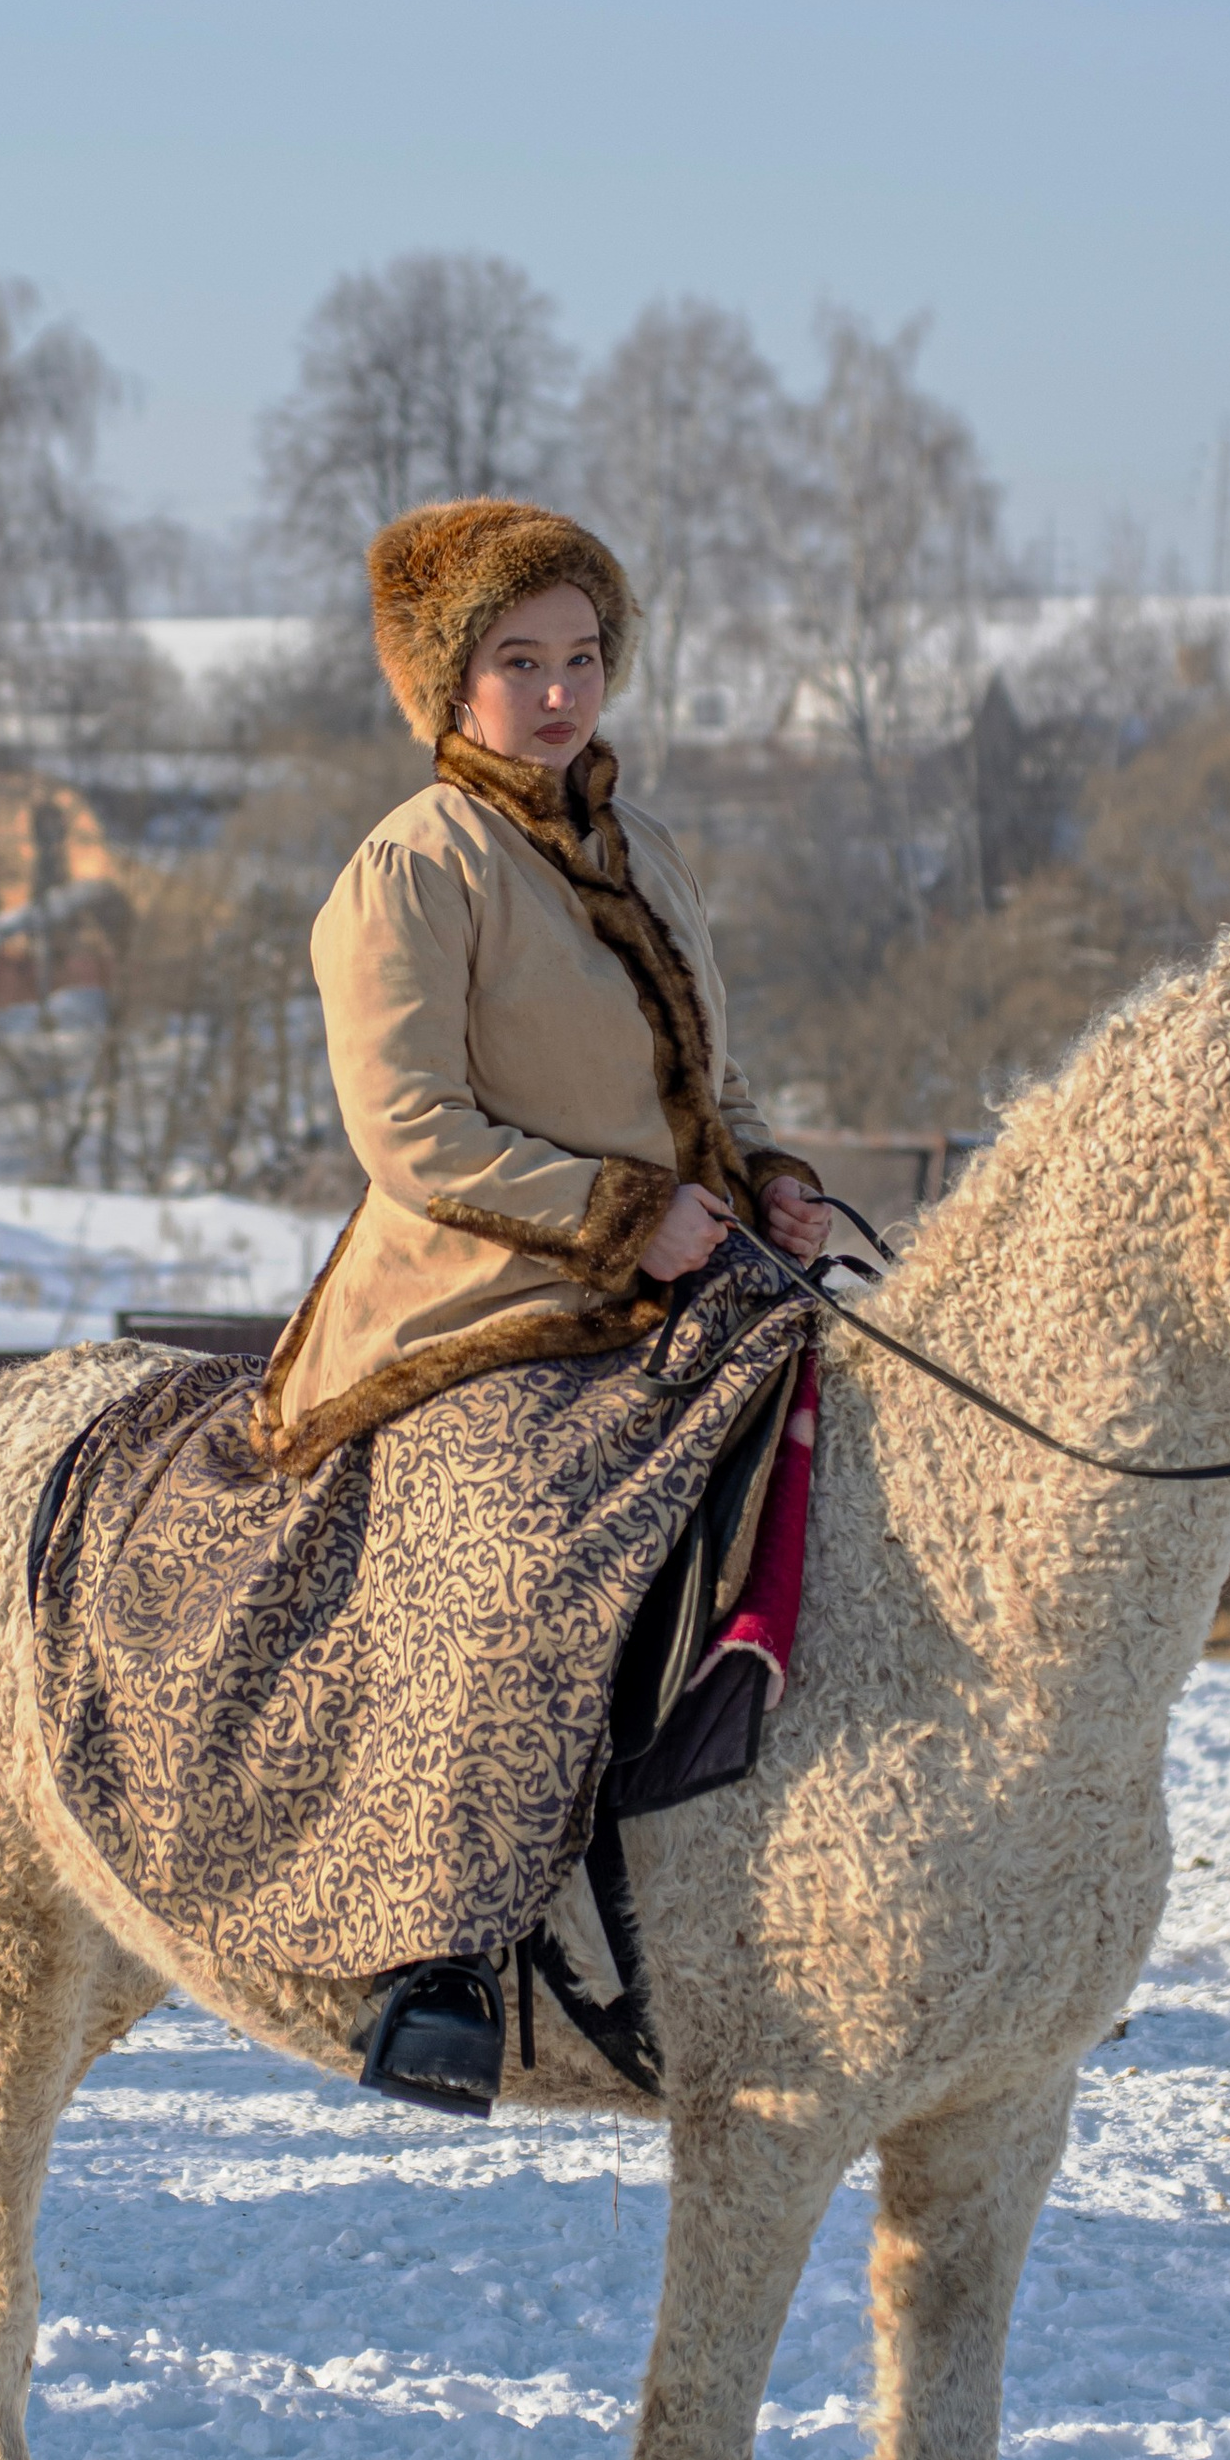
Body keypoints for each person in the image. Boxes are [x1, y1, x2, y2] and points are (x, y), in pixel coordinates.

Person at [255, 496, 825, 2109]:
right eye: (520, 661)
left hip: (677, 1272)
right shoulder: (412, 869)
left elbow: (696, 1072)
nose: (562, 693)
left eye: (583, 657)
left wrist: (761, 1164)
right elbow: (410, 1132)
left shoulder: (644, 851)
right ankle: (433, 1953)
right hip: (475, 1297)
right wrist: (621, 1215)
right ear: (446, 682)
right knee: (514, 1528)